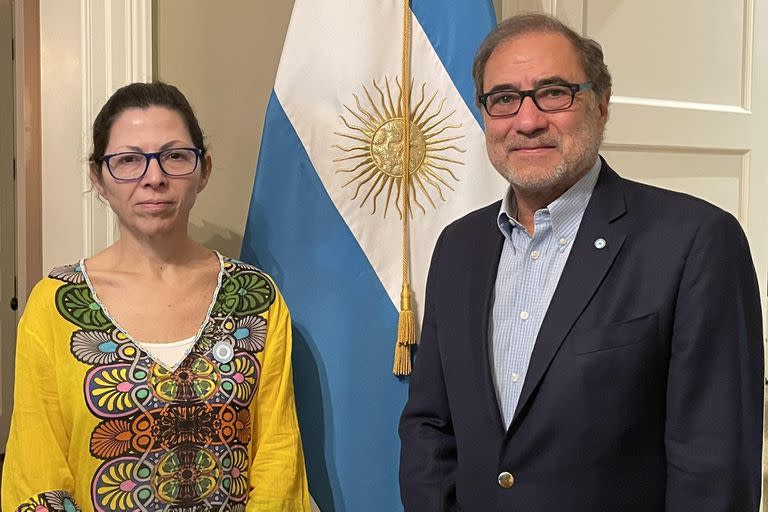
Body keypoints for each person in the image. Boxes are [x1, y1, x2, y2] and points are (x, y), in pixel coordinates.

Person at [399, 13, 763, 512]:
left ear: (602, 104)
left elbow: (713, 467)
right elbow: (429, 427)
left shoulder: (696, 241)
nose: (527, 121)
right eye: (504, 99)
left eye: (554, 92)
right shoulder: (458, 247)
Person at [2, 82, 310, 511]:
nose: (154, 177)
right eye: (128, 160)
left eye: (175, 156)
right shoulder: (55, 306)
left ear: (203, 170)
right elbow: (35, 476)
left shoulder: (255, 299)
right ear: (98, 177)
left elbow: (279, 459)